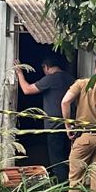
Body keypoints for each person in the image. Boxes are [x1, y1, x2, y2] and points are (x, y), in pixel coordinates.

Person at [15, 53, 72, 182]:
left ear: (46, 67)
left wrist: (19, 73)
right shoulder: (71, 79)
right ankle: (72, 190)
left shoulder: (51, 79)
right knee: (68, 159)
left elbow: (27, 89)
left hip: (54, 127)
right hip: (71, 127)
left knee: (57, 161)